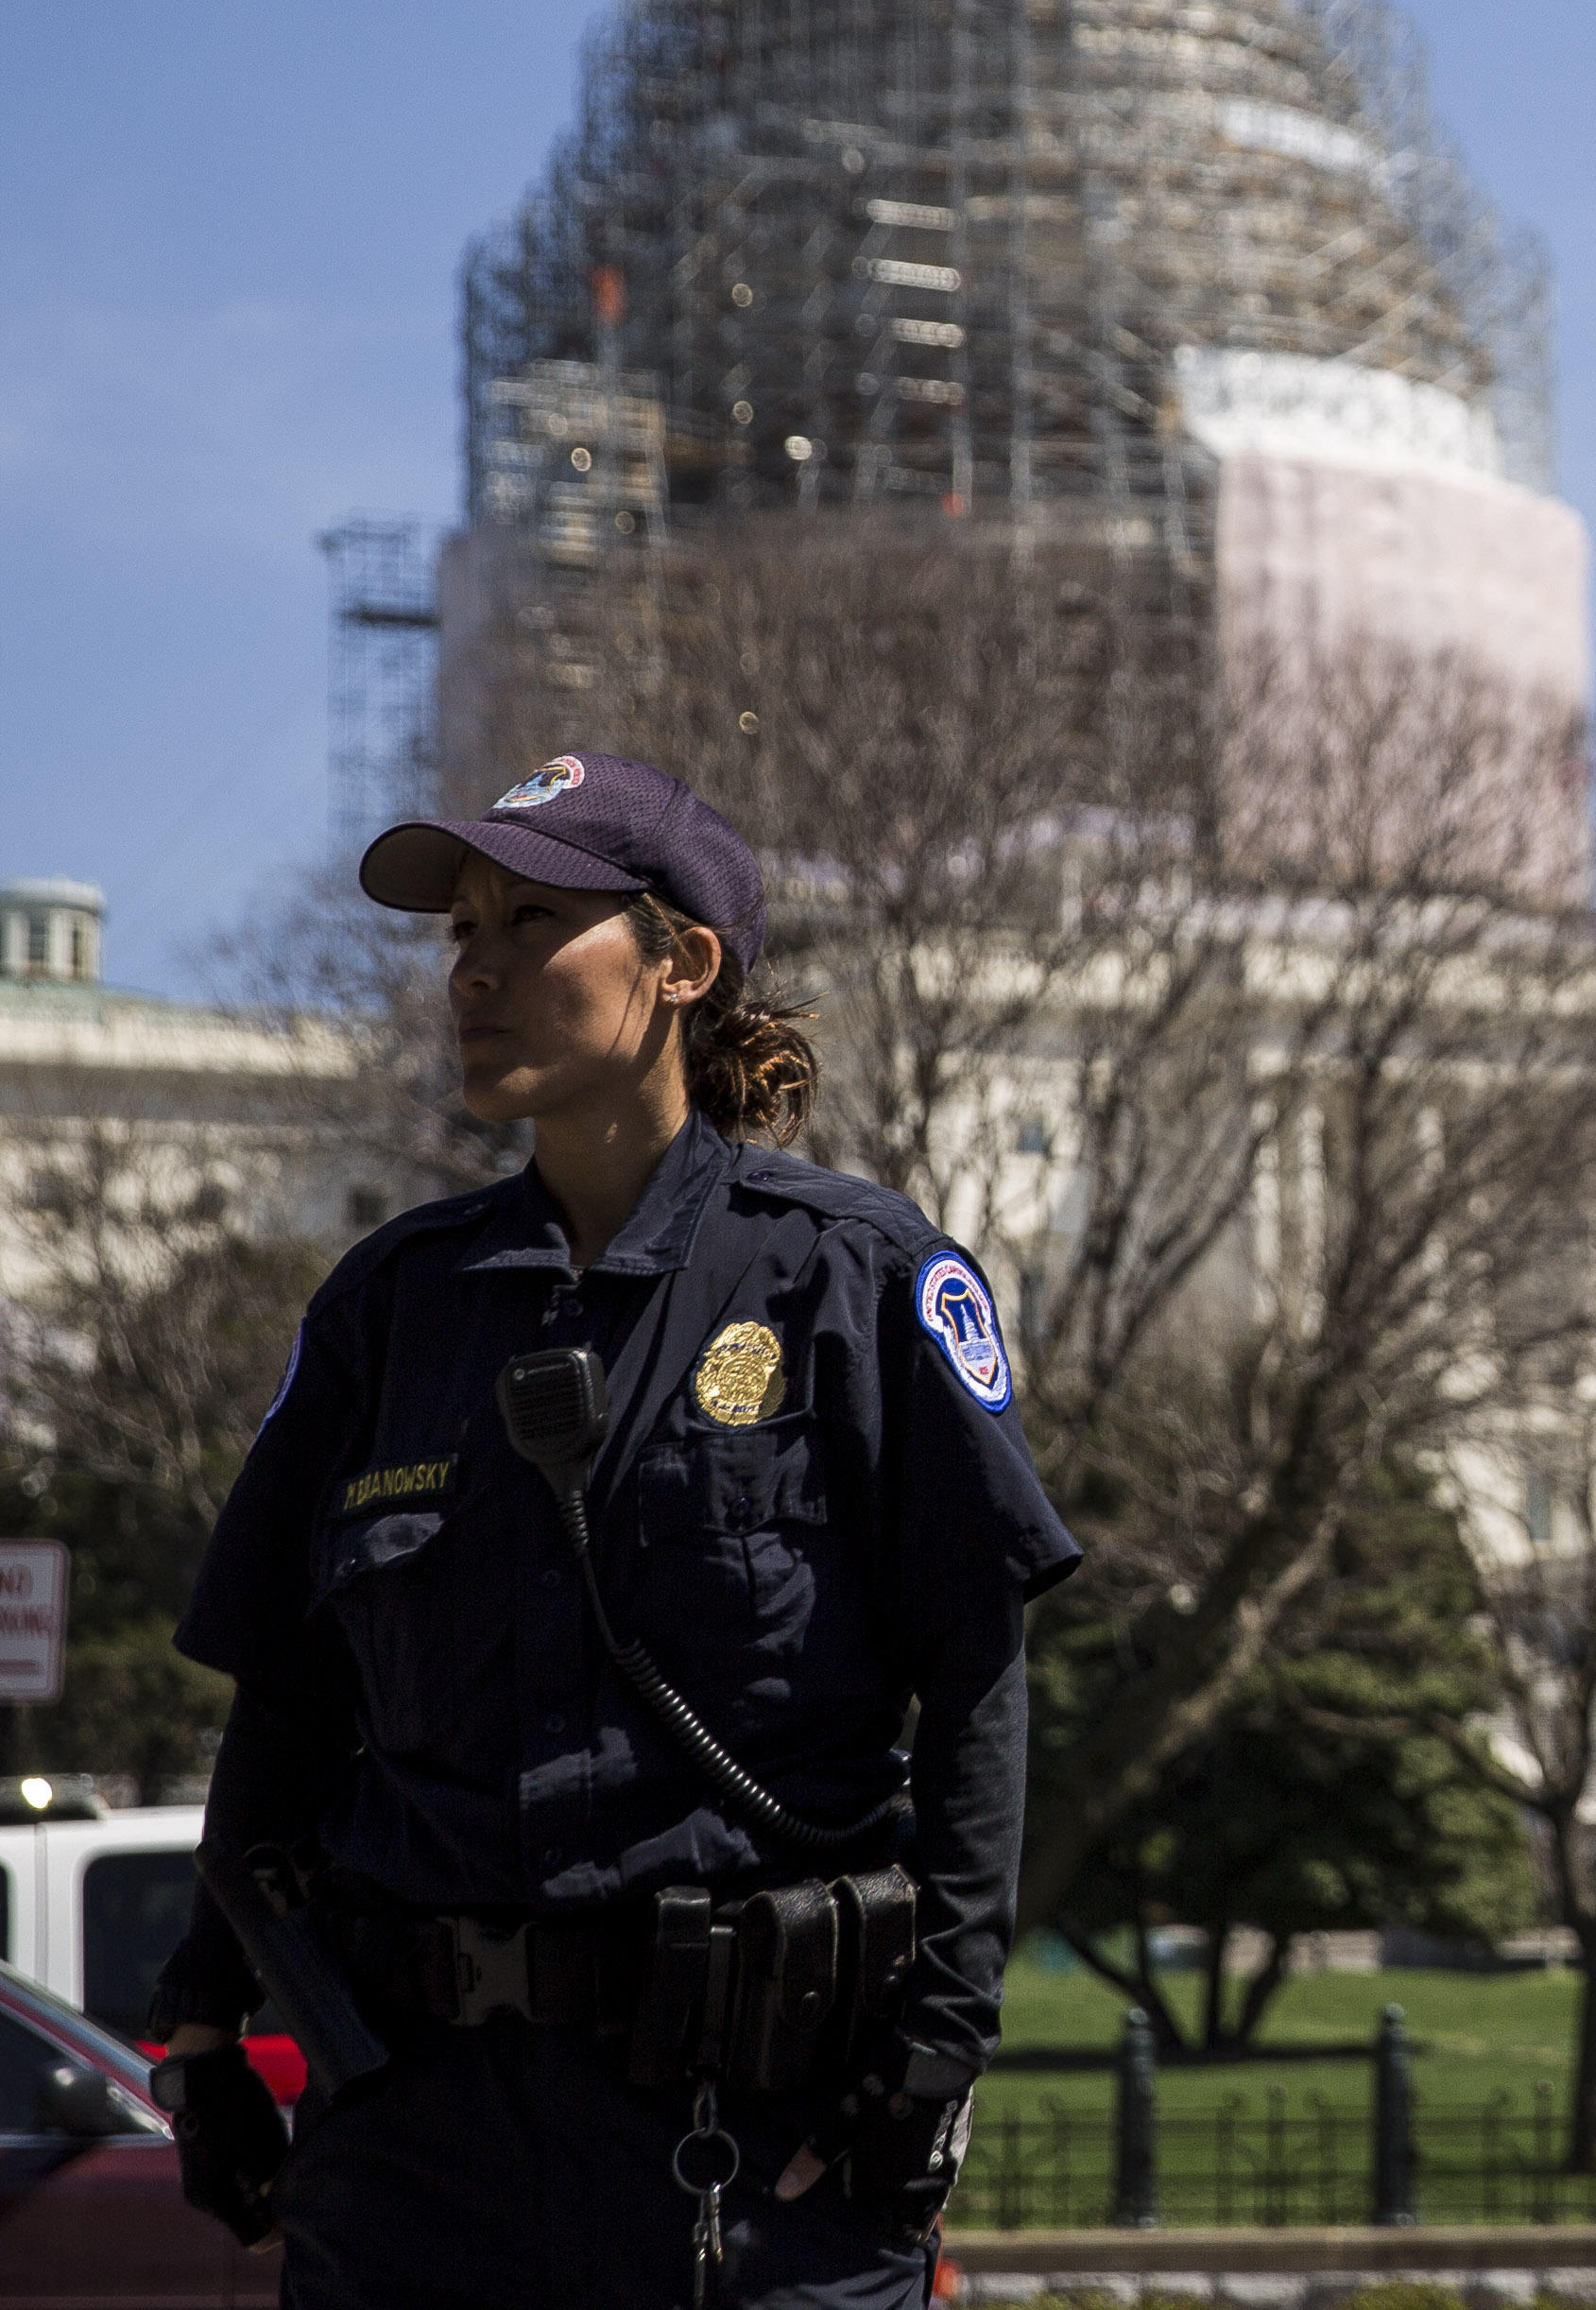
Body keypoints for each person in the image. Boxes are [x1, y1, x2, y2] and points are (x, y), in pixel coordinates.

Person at [146, 750, 1079, 2307]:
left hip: (751, 2149)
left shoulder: (848, 1280)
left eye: (531, 920)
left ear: (680, 964)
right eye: (462, 931)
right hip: (414, 2153)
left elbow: (975, 1675)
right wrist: (202, 2022)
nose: (477, 966)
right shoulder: (390, 1310)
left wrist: (935, 2053)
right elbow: (291, 1709)